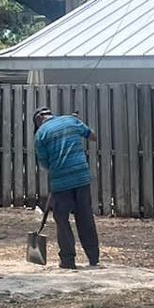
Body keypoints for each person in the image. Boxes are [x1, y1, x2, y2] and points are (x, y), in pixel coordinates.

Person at [32, 106, 101, 269]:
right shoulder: (71, 121)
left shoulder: (41, 134)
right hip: (81, 176)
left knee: (62, 220)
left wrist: (56, 168)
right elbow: (93, 137)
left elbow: (43, 162)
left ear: (38, 120)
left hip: (61, 182)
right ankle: (93, 257)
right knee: (85, 217)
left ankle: (68, 260)